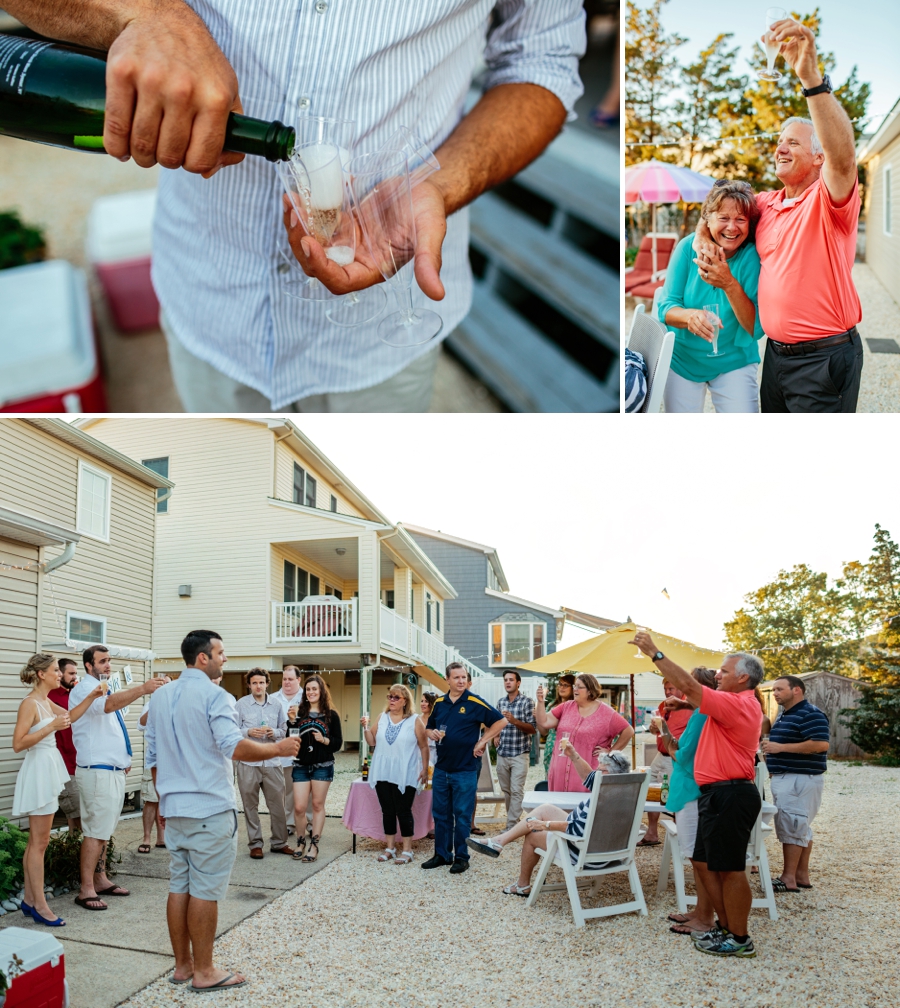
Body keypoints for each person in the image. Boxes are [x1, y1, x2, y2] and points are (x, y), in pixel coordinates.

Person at [8, 0, 587, 412]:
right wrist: (138, 12)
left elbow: (543, 61)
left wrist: (441, 183)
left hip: (384, 330)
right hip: (209, 299)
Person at [696, 20, 862, 413]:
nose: (780, 149)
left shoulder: (829, 199)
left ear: (818, 157)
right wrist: (704, 231)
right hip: (776, 357)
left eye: (793, 143)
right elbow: (721, 210)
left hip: (824, 359)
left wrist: (810, 78)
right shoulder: (766, 203)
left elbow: (844, 158)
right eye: (779, 142)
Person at [146, 629, 300, 992]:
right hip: (209, 808)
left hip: (175, 806)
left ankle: (182, 966)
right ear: (203, 658)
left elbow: (153, 756)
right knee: (205, 891)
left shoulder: (160, 697)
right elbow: (234, 746)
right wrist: (279, 750)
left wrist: (164, 798)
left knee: (179, 886)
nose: (225, 658)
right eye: (221, 652)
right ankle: (204, 971)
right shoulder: (216, 696)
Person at [632, 630, 764, 959]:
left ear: (743, 677)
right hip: (714, 795)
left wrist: (654, 653)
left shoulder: (740, 703)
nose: (717, 674)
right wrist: (685, 702)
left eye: (724, 671)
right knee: (707, 864)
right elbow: (697, 700)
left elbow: (694, 688)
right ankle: (723, 925)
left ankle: (739, 937)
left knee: (731, 869)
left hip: (731, 794)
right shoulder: (730, 704)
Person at [69, 645, 166, 911]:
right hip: (97, 771)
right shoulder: (84, 689)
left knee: (103, 831)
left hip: (110, 769)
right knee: (94, 832)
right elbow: (108, 707)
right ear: (89, 665)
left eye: (109, 660)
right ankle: (86, 888)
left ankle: (100, 879)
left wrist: (122, 758)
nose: (108, 665)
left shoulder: (103, 687)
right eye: (102, 661)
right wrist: (143, 689)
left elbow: (108, 723)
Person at [468, 743, 630, 896]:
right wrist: (573, 755)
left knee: (533, 833)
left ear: (610, 775)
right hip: (610, 850)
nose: (597, 773)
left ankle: (522, 885)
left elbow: (575, 829)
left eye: (601, 770)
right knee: (546, 808)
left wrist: (545, 825)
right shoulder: (625, 792)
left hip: (586, 853)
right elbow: (589, 777)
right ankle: (499, 841)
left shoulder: (602, 800)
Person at [13, 654, 104, 927]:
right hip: (39, 770)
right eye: (55, 670)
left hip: (49, 768)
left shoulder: (45, 701)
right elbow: (18, 744)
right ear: (42, 674)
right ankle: (40, 904)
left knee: (36, 842)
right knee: (39, 843)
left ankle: (30, 900)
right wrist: (51, 727)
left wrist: (91, 697)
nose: (59, 674)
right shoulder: (30, 703)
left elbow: (68, 717)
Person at [659, 180, 765, 413]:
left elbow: (756, 329)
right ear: (708, 220)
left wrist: (728, 283)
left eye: (740, 219)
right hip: (683, 361)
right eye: (724, 218)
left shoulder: (751, 258)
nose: (732, 227)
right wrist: (690, 317)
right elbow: (665, 308)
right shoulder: (688, 248)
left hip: (734, 362)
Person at [422, 662, 505, 874]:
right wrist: (430, 732)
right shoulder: (439, 703)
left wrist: (483, 740)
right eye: (456, 677)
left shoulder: (474, 701)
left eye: (463, 677)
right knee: (440, 814)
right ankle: (442, 854)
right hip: (442, 769)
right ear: (447, 680)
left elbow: (500, 722)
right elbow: (430, 726)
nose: (461, 681)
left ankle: (461, 857)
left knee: (462, 815)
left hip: (465, 769)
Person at [658, 667, 720, 937]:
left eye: (689, 682)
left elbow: (681, 756)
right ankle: (700, 911)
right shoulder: (702, 712)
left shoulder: (700, 716)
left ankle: (706, 917)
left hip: (691, 792)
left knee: (698, 859)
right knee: (697, 858)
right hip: (693, 790)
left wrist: (663, 732)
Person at [763, 675, 830, 892]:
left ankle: (787, 878)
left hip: (799, 779)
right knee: (800, 826)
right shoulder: (786, 714)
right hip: (788, 777)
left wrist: (780, 749)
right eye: (773, 690)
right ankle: (801, 875)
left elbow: (820, 744)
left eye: (780, 689)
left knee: (792, 825)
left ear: (797, 690)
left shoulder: (810, 713)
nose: (775, 693)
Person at [361, 684, 429, 864]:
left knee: (404, 810)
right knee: (387, 811)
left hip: (406, 771)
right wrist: (366, 728)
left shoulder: (415, 720)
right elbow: (372, 741)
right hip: (383, 770)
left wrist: (425, 769)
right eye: (390, 696)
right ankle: (390, 848)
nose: (391, 700)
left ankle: (407, 850)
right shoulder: (382, 717)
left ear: (405, 701)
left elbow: (424, 746)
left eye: (396, 697)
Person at [535, 673, 633, 793]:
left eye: (579, 687)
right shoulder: (566, 707)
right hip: (559, 770)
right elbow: (544, 722)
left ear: (590, 691)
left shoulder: (606, 712)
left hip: (586, 773)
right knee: (559, 807)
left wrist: (610, 752)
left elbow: (628, 731)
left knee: (584, 809)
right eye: (574, 686)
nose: (574, 689)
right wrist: (540, 702)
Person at [234, 668, 293, 859]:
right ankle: (255, 844)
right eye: (254, 683)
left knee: (277, 806)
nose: (258, 686)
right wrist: (248, 732)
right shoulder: (240, 705)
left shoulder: (276, 705)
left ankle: (279, 842)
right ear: (249, 685)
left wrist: (272, 733)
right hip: (248, 763)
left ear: (267, 683)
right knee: (250, 807)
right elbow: (231, 731)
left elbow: (284, 730)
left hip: (272, 763)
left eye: (261, 682)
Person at [286, 674, 342, 863]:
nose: (311, 692)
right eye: (308, 689)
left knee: (317, 805)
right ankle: (300, 842)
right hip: (301, 765)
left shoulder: (331, 715)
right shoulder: (299, 713)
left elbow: (337, 743)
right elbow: (291, 740)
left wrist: (324, 740)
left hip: (322, 766)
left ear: (321, 692)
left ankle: (314, 845)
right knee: (300, 807)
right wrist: (292, 721)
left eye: (314, 689)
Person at [641, 679, 693, 846]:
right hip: (660, 754)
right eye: (665, 688)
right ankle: (652, 832)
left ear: (681, 688)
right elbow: (657, 729)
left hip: (675, 757)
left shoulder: (689, 706)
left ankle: (681, 836)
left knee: (676, 793)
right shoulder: (663, 705)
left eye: (671, 688)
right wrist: (653, 729)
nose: (667, 691)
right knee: (649, 790)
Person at [495, 670, 537, 831]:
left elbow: (532, 729)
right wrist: (496, 735)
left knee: (516, 790)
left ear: (518, 683)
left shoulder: (527, 702)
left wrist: (514, 720)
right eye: (505, 680)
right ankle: (514, 820)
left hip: (520, 752)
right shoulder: (501, 702)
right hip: (503, 752)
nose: (508, 682)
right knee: (506, 790)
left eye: (511, 680)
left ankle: (511, 825)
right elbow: (497, 722)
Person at [136, 681, 171, 853]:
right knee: (151, 799)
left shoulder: (178, 703)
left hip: (173, 760)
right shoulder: (150, 703)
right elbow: (141, 724)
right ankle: (146, 838)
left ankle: (162, 838)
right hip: (154, 758)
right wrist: (156, 705)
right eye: (161, 685)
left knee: (168, 798)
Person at [47, 657, 81, 833]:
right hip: (64, 763)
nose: (75, 677)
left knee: (75, 814)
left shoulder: (77, 694)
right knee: (78, 812)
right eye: (71, 673)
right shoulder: (50, 697)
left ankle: (74, 849)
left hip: (81, 761)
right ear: (60, 673)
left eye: (76, 673)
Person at [271, 665, 305, 836]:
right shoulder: (273, 698)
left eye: (291, 679)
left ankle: (311, 823)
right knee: (285, 792)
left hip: (303, 753)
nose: (287, 682)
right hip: (280, 754)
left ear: (299, 680)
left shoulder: (307, 696)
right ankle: (289, 824)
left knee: (308, 791)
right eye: (285, 679)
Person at [542, 675, 575, 775]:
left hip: (567, 747)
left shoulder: (575, 706)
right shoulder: (552, 705)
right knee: (550, 779)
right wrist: (539, 718)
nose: (562, 687)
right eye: (560, 684)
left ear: (573, 688)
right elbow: (543, 732)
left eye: (566, 685)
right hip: (550, 747)